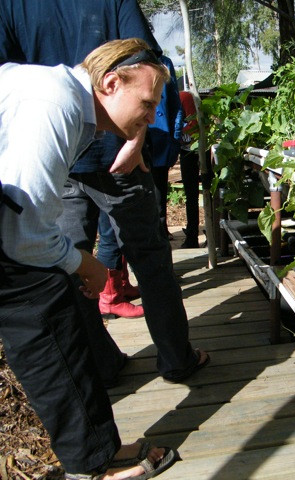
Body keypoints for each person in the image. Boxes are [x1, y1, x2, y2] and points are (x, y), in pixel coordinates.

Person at [0, 0, 210, 382]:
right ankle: (177, 358)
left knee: (68, 261)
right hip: (108, 148)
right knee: (149, 256)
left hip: (54, 153)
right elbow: (150, 65)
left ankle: (102, 363)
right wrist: (137, 136)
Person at [0, 38, 178, 480]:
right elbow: (22, 237)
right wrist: (86, 264)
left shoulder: (75, 110)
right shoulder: (53, 104)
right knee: (44, 317)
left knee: (54, 303)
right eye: (148, 102)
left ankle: (98, 451)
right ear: (111, 82)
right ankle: (94, 465)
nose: (151, 117)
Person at [149, 55, 183, 240]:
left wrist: (174, 139)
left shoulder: (164, 62)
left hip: (160, 143)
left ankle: (161, 235)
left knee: (158, 196)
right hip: (131, 140)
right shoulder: (123, 58)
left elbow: (175, 105)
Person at [179, 90, 202, 248]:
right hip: (186, 149)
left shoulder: (183, 97)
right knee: (191, 194)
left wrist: (176, 132)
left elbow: (194, 125)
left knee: (194, 194)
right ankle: (192, 234)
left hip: (195, 149)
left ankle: (194, 235)